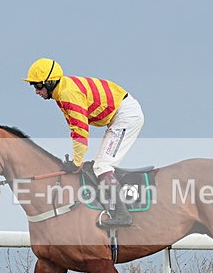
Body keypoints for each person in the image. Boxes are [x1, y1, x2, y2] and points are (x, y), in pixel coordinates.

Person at [24, 57, 144, 227]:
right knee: (97, 166)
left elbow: (80, 130)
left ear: (50, 82)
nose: (36, 91)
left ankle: (123, 214)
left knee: (102, 167)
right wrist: (77, 160)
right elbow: (74, 128)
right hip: (118, 116)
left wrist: (77, 161)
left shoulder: (67, 94)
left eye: (38, 86)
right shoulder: (61, 92)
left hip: (125, 116)